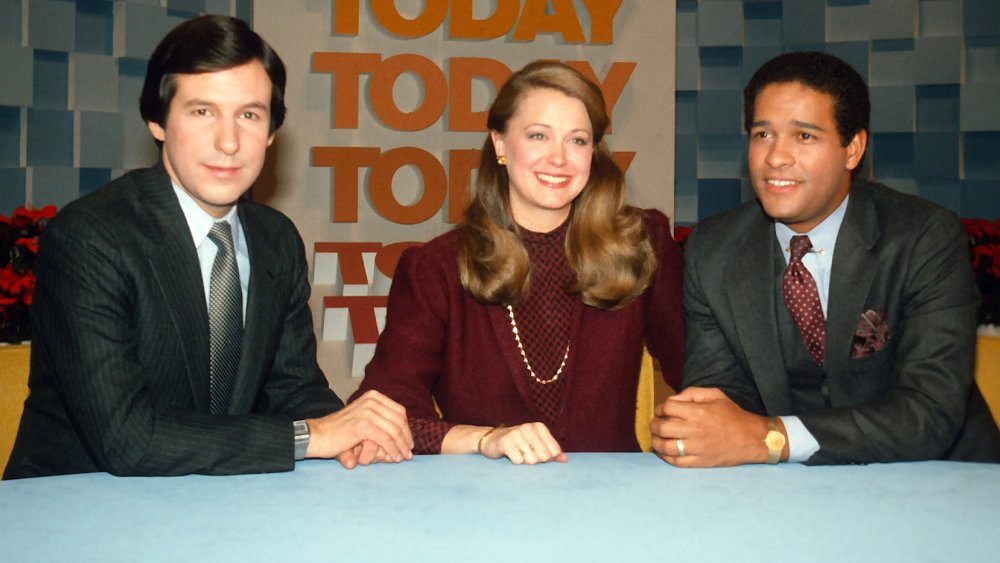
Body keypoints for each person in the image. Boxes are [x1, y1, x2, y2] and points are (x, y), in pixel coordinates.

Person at [3, 15, 412, 479]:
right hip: (73, 512)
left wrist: (353, 435)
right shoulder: (91, 237)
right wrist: (312, 437)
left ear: (272, 133)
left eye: (249, 115)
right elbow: (127, 439)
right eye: (202, 111)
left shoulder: (275, 239)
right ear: (157, 121)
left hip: (219, 503)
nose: (229, 141)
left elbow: (293, 388)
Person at [651, 51, 1000, 467]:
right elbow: (723, 399)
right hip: (789, 494)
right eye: (762, 134)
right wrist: (699, 426)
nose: (775, 158)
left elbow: (929, 413)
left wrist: (773, 437)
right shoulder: (714, 249)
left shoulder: (923, 238)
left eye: (804, 136)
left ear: (853, 149)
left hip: (940, 482)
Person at [350, 61, 684, 464]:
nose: (559, 158)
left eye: (577, 140)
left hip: (608, 505)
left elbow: (702, 372)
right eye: (539, 135)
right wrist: (484, 439)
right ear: (500, 144)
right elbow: (383, 414)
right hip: (480, 505)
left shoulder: (641, 242)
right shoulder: (436, 268)